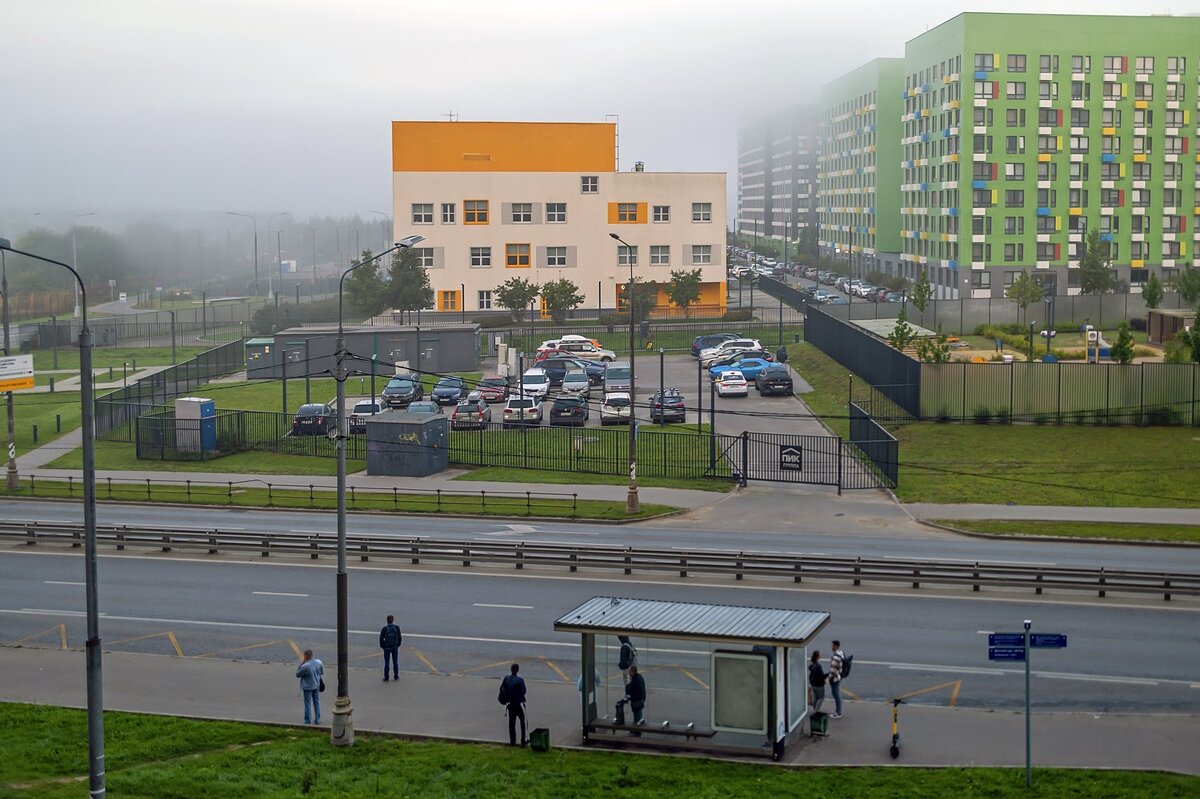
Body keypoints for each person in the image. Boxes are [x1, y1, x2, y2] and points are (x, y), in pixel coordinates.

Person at [498, 663, 527, 746]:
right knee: (523, 721)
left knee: (512, 723)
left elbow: (502, 689)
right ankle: (523, 740)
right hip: (519, 703)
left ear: (511, 669)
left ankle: (512, 740)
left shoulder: (506, 678)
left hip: (510, 704)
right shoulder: (520, 680)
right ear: (517, 670)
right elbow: (524, 691)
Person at [296, 649, 324, 725]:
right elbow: (322, 672)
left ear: (305, 656)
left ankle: (307, 720)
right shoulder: (318, 662)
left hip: (308, 686)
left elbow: (297, 674)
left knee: (307, 703)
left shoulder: (305, 666)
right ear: (312, 655)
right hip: (316, 685)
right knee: (316, 702)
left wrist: (302, 664)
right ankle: (317, 719)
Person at [624, 664, 646, 736]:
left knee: (637, 717)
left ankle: (636, 732)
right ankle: (636, 731)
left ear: (633, 672)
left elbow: (630, 689)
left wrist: (627, 686)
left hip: (637, 701)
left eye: (629, 672)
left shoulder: (635, 680)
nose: (629, 673)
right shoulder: (639, 677)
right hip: (641, 700)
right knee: (638, 716)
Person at [379, 615, 402, 682]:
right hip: (394, 647)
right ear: (393, 620)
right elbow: (400, 638)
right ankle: (396, 676)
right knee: (395, 662)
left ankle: (386, 677)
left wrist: (383, 646)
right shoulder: (396, 627)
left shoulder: (384, 628)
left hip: (387, 647)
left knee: (386, 662)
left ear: (387, 620)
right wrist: (397, 645)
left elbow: (381, 639)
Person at [829, 640, 846, 718]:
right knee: (837, 693)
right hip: (839, 676)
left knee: (836, 695)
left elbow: (833, 670)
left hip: (835, 679)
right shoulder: (841, 653)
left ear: (835, 646)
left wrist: (830, 679)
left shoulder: (835, 657)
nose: (831, 647)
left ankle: (838, 712)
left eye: (832, 645)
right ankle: (837, 710)